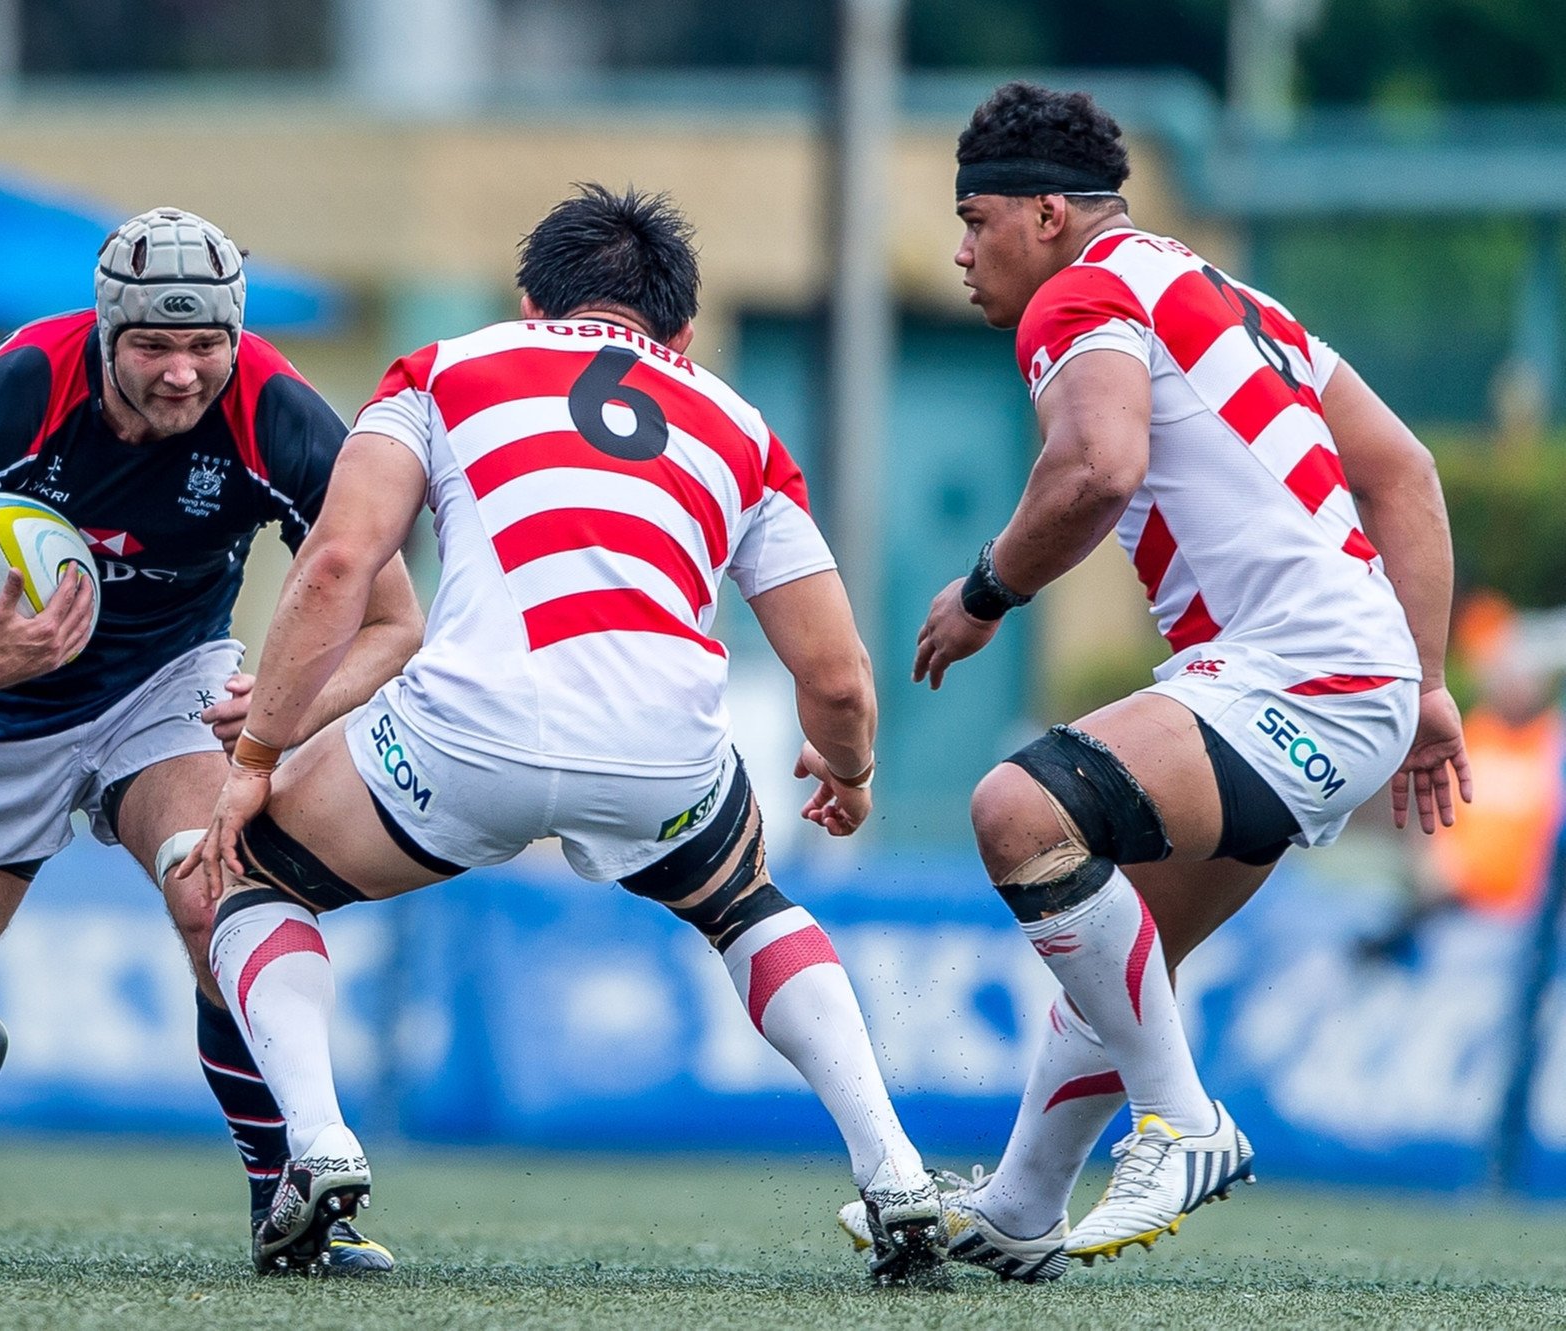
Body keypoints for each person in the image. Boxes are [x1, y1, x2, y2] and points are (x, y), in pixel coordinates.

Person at [179, 183, 944, 1283]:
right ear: (679, 331)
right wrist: (852, 772)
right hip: (663, 753)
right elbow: (834, 672)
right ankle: (896, 1171)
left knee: (251, 877)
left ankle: (321, 1146)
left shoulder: (442, 368)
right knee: (745, 903)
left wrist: (258, 759)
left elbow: (339, 565)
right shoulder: (741, 426)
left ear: (528, 302)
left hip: (463, 739)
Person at [905, 82, 1472, 1277]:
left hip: (1293, 675)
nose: (961, 251)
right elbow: (1405, 472)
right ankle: (1020, 1204)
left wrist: (982, 593)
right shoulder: (1222, 294)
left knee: (1019, 808)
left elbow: (1097, 467)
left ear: (1049, 213)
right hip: (1336, 673)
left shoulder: (1081, 291)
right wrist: (1421, 689)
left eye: (976, 219)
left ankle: (1183, 1118)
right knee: (1124, 961)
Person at [0, 207, 421, 1271]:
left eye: (204, 344)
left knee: (224, 895)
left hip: (167, 690)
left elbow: (395, 622)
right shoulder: (25, 381)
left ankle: (288, 1206)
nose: (179, 373)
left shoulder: (277, 413)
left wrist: (285, 711)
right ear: (104, 333)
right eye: (153, 345)